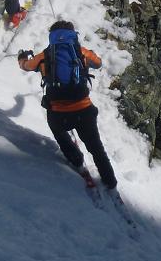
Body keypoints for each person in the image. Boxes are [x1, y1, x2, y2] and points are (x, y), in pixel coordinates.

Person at [18, 19, 118, 190]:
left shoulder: (44, 56)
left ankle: (76, 160)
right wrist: (89, 54)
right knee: (96, 148)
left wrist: (22, 58)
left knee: (59, 133)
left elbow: (26, 66)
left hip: (58, 113)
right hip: (84, 110)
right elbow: (98, 63)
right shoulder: (81, 51)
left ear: (52, 36)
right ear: (72, 34)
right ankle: (110, 181)